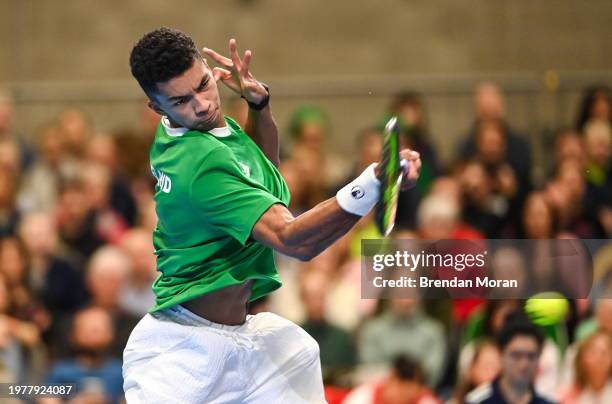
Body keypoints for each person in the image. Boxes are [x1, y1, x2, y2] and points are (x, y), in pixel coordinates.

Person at [123, 27, 421, 403]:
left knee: (298, 351)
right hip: (183, 354)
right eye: (181, 100)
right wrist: (373, 183)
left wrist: (259, 107)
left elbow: (262, 171)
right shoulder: (199, 164)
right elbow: (292, 239)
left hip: (244, 337)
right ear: (157, 108)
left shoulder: (208, 131)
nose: (200, 104)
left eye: (202, 84)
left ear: (209, 69)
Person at [466, 319, 555, 404]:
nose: (524, 364)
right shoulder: (476, 401)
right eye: (516, 355)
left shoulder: (548, 402)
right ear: (501, 355)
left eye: (531, 356)